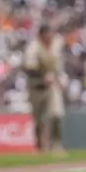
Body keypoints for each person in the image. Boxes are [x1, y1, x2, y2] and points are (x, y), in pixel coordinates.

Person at [24, 24, 67, 155]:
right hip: (37, 85)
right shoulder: (34, 47)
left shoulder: (56, 45)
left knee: (56, 112)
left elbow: (59, 65)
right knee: (39, 117)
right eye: (47, 34)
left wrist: (59, 78)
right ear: (41, 35)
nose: (49, 37)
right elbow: (28, 67)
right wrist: (43, 76)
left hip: (52, 83)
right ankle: (40, 146)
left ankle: (56, 144)